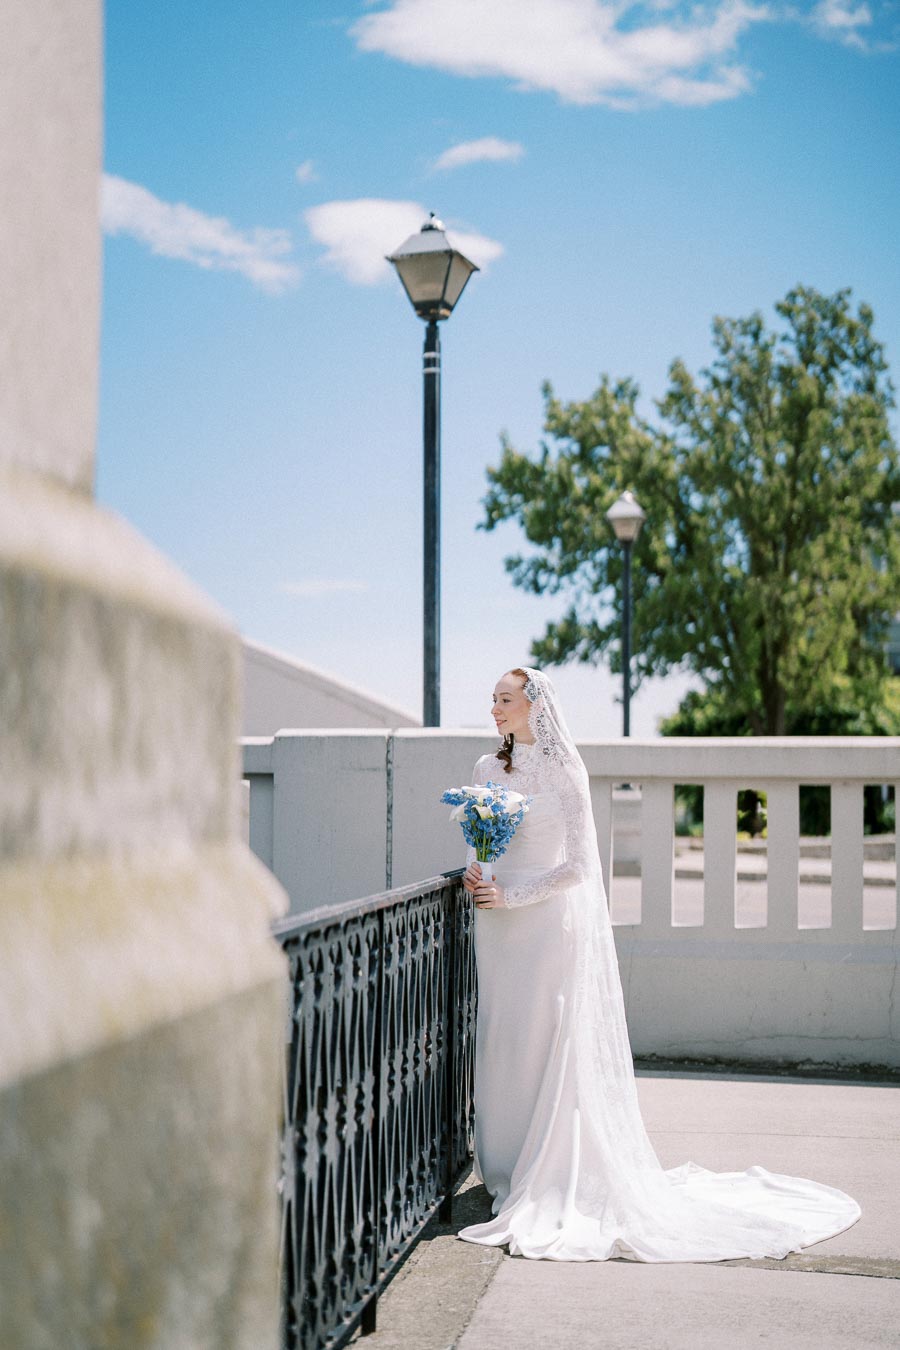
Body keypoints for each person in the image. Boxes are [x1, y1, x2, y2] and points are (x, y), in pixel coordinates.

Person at [456, 666, 860, 1261]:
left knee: (546, 1040)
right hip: (496, 928)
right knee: (504, 1038)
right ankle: (505, 1168)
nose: (495, 707)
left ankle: (546, 1173)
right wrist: (478, 875)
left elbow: (582, 868)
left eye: (506, 699)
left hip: (543, 927)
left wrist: (515, 895)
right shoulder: (485, 771)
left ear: (534, 706)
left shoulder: (566, 769)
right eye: (492, 698)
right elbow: (476, 842)